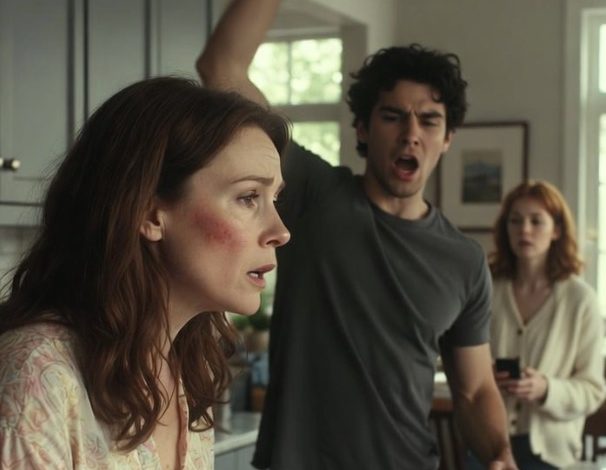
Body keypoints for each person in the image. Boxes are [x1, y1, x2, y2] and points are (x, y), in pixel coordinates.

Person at [197, 1, 518, 468]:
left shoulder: (465, 260)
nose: (411, 133)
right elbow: (221, 67)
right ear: (363, 129)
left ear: (448, 137)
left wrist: (500, 452)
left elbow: (475, 389)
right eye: (393, 116)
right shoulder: (313, 194)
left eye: (429, 120)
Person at [0, 77, 291, 469]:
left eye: (275, 198)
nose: (280, 231)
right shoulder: (35, 377)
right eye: (248, 197)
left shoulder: (187, 372)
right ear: (149, 214)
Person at [471, 180, 605, 468]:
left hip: (549, 452)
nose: (525, 230)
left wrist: (546, 389)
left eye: (536, 221)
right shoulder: (487, 290)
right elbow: (462, 364)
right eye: (515, 221)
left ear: (557, 230)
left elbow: (593, 390)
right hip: (487, 442)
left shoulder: (581, 301)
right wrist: (483, 374)